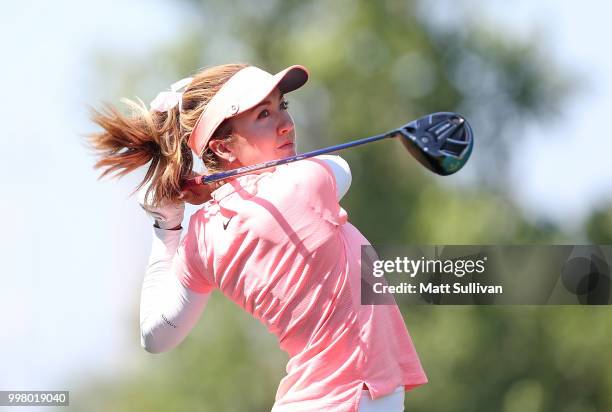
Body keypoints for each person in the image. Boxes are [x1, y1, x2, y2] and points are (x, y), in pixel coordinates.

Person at [87, 63, 428, 411]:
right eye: (264, 114)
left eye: (283, 106)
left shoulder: (201, 236)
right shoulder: (302, 184)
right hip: (346, 400)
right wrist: (226, 184)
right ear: (222, 148)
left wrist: (167, 226)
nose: (286, 124)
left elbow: (156, 336)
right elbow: (343, 168)